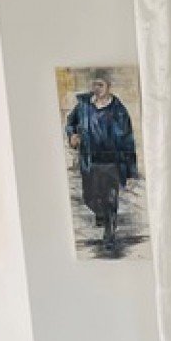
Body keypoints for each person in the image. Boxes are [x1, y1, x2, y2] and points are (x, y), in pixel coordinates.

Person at [66, 76, 138, 244]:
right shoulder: (83, 106)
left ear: (108, 86)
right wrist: (72, 135)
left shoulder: (119, 111)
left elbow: (128, 141)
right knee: (89, 197)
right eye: (94, 84)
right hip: (90, 160)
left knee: (110, 198)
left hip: (112, 162)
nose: (97, 88)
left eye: (101, 84)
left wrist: (130, 172)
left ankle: (109, 231)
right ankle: (100, 213)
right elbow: (70, 123)